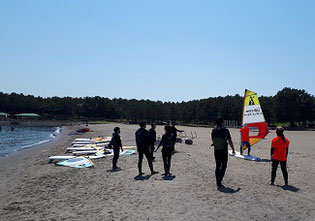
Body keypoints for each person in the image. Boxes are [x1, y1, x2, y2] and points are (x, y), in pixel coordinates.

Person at [211, 116, 235, 188]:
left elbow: (213, 139)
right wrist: (233, 149)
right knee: (224, 166)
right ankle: (219, 181)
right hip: (223, 150)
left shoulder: (213, 130)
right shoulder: (225, 130)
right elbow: (230, 141)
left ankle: (217, 181)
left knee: (218, 166)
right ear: (222, 122)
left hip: (216, 149)